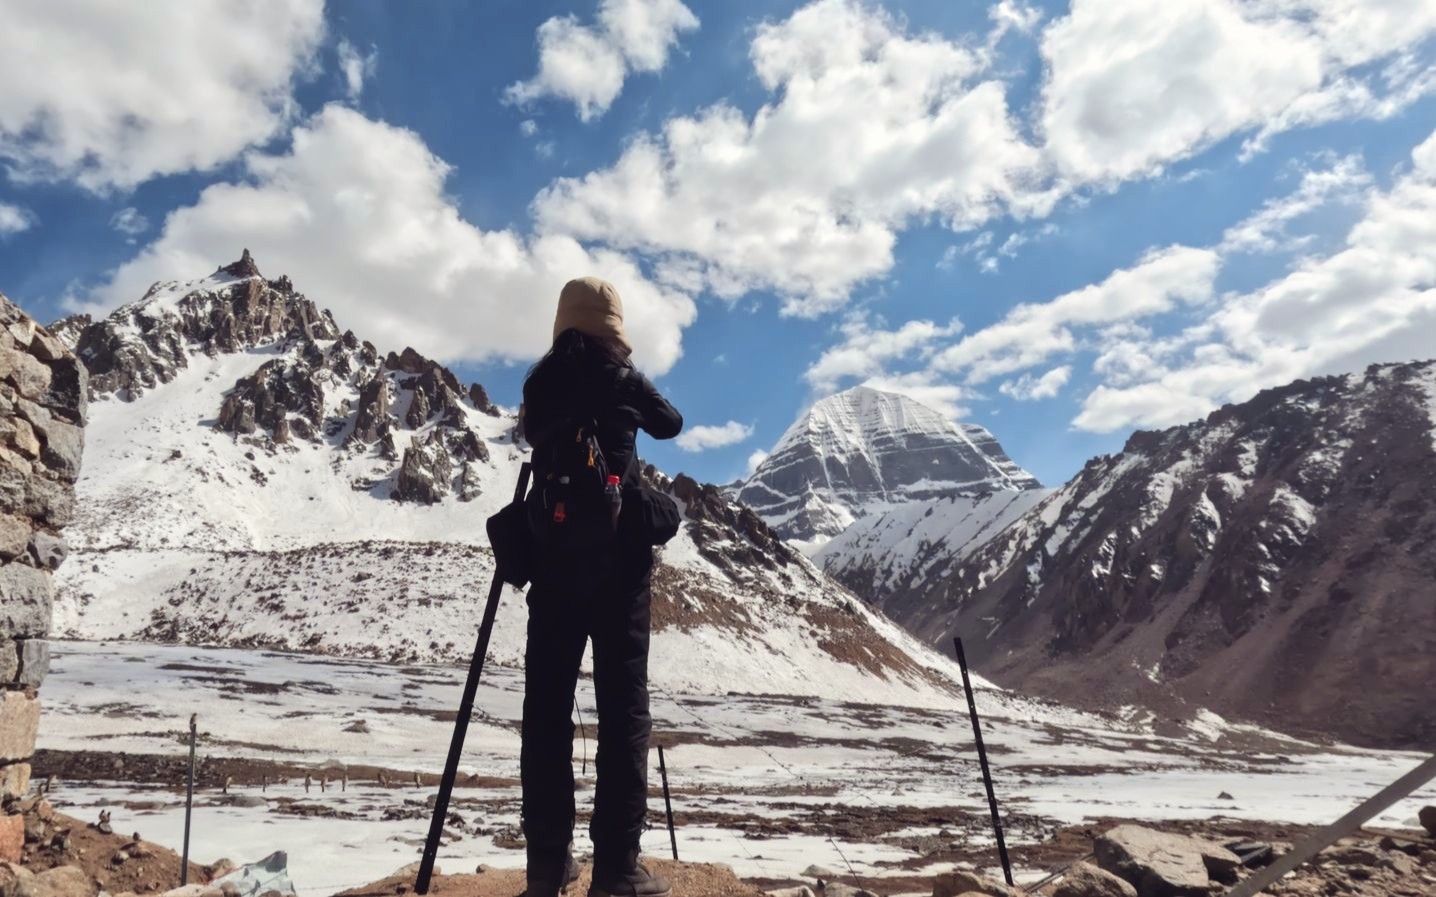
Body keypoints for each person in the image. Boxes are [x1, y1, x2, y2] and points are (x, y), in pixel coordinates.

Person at [519, 277, 683, 897]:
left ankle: (546, 867)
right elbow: (670, 423)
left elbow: (534, 436)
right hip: (620, 568)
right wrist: (628, 383)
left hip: (553, 563)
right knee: (622, 713)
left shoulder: (540, 382)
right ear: (612, 328)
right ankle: (617, 867)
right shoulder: (622, 380)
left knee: (547, 713)